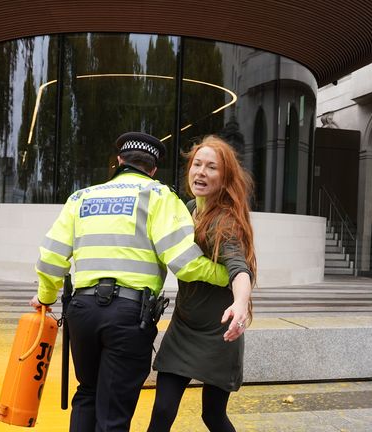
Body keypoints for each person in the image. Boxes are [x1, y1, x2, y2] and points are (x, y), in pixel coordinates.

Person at [31, 131, 237, 432]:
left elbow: (50, 260)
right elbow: (184, 263)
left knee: (87, 393)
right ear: (153, 169)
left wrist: (46, 297)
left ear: (119, 161)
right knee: (113, 408)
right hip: (129, 316)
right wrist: (226, 275)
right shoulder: (159, 196)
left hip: (82, 312)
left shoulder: (81, 198)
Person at [148, 135, 257, 432]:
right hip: (184, 327)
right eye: (197, 164)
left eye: (211, 167)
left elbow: (239, 267)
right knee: (162, 412)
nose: (201, 172)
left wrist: (239, 305)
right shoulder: (188, 209)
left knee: (212, 416)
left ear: (225, 178)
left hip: (219, 333)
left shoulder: (225, 220)